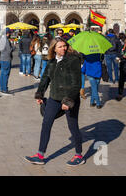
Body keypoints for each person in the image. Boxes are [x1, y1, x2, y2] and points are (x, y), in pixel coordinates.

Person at [25, 37, 84, 166]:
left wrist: (68, 101)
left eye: (65, 46)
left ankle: (79, 155)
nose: (64, 48)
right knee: (46, 123)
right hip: (54, 98)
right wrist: (40, 94)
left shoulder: (72, 60)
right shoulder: (51, 62)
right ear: (54, 49)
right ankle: (40, 155)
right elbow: (45, 78)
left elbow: (77, 83)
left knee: (72, 126)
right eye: (60, 47)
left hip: (70, 98)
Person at [0, 28, 15, 95]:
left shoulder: (1, 39)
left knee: (2, 74)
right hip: (6, 59)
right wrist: (13, 47)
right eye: (9, 33)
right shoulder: (6, 40)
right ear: (7, 33)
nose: (9, 34)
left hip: (2, 58)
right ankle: (5, 89)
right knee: (6, 74)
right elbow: (9, 51)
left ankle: (2, 88)